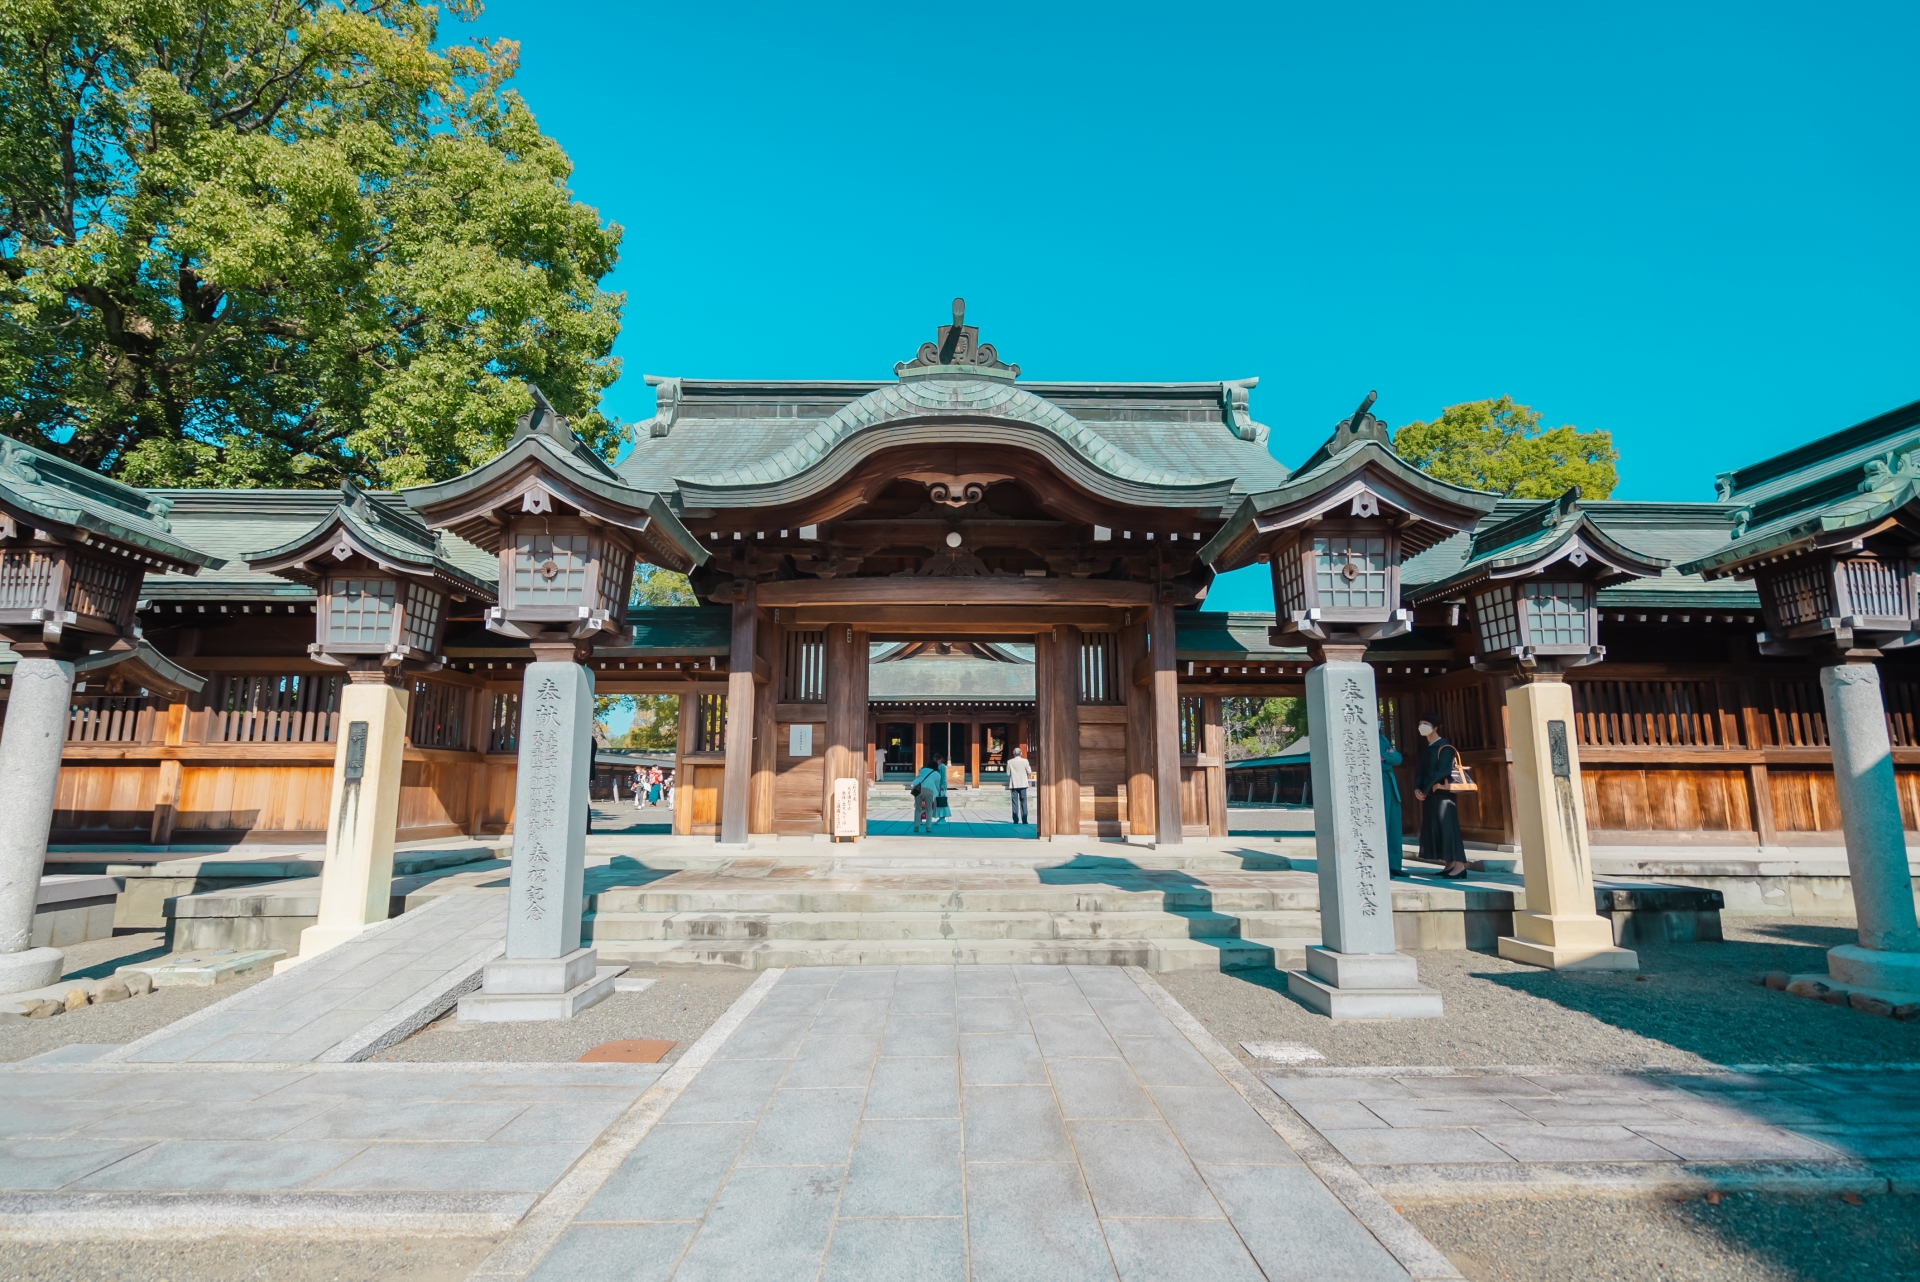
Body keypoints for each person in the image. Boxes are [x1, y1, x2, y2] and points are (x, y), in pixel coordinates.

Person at [1413, 714, 1469, 878]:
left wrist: (1426, 788)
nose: (1422, 726)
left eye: (1426, 723)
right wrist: (1417, 788)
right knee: (1435, 827)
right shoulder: (1426, 750)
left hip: (1443, 795)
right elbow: (1420, 772)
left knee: (1448, 827)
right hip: (1429, 794)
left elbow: (1442, 771)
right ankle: (1448, 864)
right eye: (1420, 723)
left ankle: (1459, 866)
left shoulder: (1445, 747)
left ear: (1435, 727)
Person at [1379, 728, 1405, 877]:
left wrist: (1385, 758)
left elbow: (1398, 758)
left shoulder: (1382, 739)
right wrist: (1387, 757)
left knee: (1394, 825)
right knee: (1383, 824)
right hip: (1379, 783)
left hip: (1390, 783)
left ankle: (1395, 865)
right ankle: (1383, 864)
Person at [910, 755, 948, 834]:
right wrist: (936, 794)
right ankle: (928, 827)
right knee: (929, 809)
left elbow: (918, 778)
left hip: (918, 789)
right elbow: (937, 786)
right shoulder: (937, 774)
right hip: (929, 790)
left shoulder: (922, 770)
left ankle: (916, 827)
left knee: (917, 809)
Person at [1006, 746, 1034, 825]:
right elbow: (1029, 771)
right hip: (1023, 784)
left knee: (1014, 802)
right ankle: (1024, 820)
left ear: (1013, 754)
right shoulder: (1025, 761)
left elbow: (1008, 773)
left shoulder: (1010, 762)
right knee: (1023, 802)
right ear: (1021, 753)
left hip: (1014, 784)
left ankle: (1015, 820)